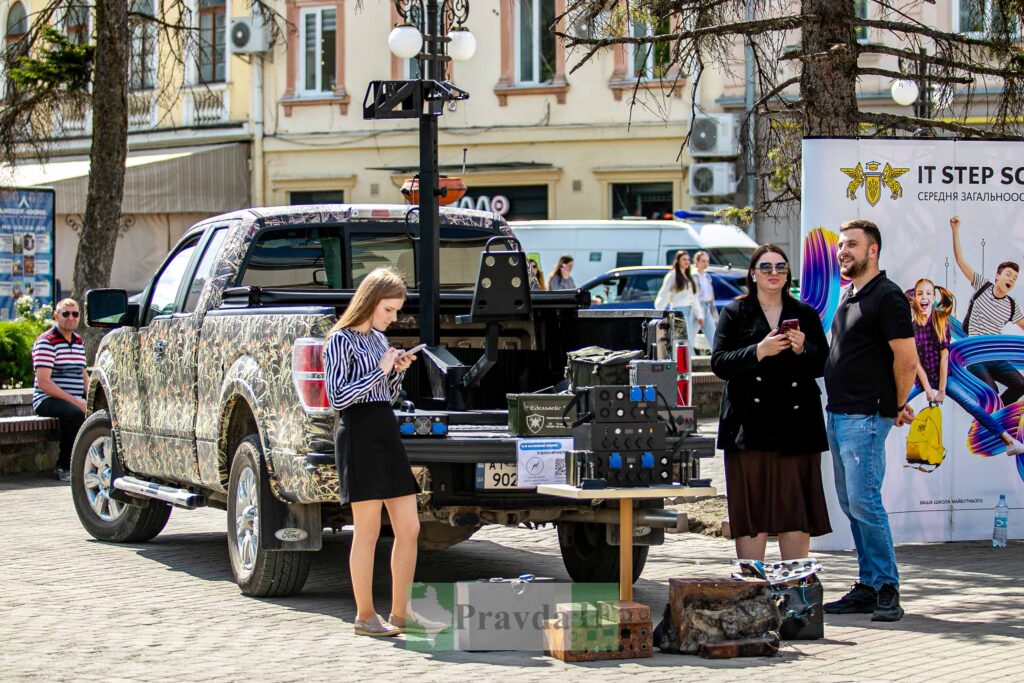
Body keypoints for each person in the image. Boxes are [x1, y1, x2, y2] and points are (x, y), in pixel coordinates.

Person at [322, 268, 436, 637]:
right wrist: (381, 369)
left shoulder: (376, 339)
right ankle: (365, 616)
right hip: (357, 433)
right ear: (370, 302)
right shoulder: (339, 340)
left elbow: (381, 393)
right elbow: (339, 396)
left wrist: (396, 371)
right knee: (367, 531)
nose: (393, 318)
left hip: (384, 429)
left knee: (410, 527)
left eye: (396, 310)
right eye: (388, 310)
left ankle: (401, 614)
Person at [711, 244, 832, 562]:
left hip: (797, 425)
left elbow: (823, 364)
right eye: (766, 267)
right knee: (753, 511)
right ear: (752, 274)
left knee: (795, 510)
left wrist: (803, 348)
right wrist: (758, 351)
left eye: (780, 267)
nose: (774, 273)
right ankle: (752, 591)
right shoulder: (735, 313)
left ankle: (794, 594)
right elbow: (719, 363)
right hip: (749, 426)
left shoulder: (804, 313)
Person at [823, 220, 917, 623]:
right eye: (842, 245)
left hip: (866, 416)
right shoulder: (849, 294)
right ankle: (868, 584)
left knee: (865, 501)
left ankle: (887, 587)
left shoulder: (888, 296)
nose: (844, 251)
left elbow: (907, 360)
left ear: (872, 250)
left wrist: (895, 404)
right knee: (851, 503)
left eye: (852, 245)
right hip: (839, 414)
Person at [906, 278, 1024, 455]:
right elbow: (916, 362)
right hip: (922, 378)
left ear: (933, 297)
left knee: (973, 406)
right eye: (920, 294)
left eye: (928, 293)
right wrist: (928, 390)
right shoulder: (912, 327)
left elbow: (944, 358)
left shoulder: (940, 323)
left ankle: (1009, 441)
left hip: (944, 377)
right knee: (896, 405)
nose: (924, 297)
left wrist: (941, 390)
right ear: (915, 299)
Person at [949, 216, 1024, 406]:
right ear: (997, 276)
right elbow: (960, 261)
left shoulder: (1011, 305)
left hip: (994, 356)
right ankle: (992, 414)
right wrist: (955, 230)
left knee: (1020, 385)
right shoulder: (982, 286)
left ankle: (994, 415)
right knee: (992, 392)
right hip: (975, 353)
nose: (1011, 279)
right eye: (1008, 274)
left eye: (1015, 278)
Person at [32, 298, 88, 482]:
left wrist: (92, 400)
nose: (70, 317)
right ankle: (64, 467)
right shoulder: (47, 342)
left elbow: (84, 376)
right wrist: (75, 401)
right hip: (46, 400)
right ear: (56, 316)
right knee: (74, 414)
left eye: (75, 314)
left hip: (74, 399)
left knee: (101, 414)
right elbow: (44, 383)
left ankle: (91, 465)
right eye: (65, 313)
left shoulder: (78, 341)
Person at [655, 250, 704, 358]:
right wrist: (659, 312)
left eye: (688, 259)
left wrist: (699, 315)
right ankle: (688, 364)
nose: (687, 261)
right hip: (678, 312)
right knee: (681, 341)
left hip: (690, 313)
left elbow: (694, 298)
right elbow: (664, 294)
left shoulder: (688, 276)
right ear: (678, 261)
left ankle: (691, 363)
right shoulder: (672, 276)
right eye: (684, 259)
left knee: (689, 340)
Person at [693, 250, 719, 349]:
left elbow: (711, 297)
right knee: (689, 337)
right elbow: (693, 296)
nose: (706, 264)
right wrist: (698, 313)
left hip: (707, 307)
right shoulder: (693, 276)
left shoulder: (707, 276)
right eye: (703, 261)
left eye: (707, 261)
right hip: (697, 308)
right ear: (697, 261)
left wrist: (714, 314)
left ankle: (717, 360)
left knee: (713, 336)